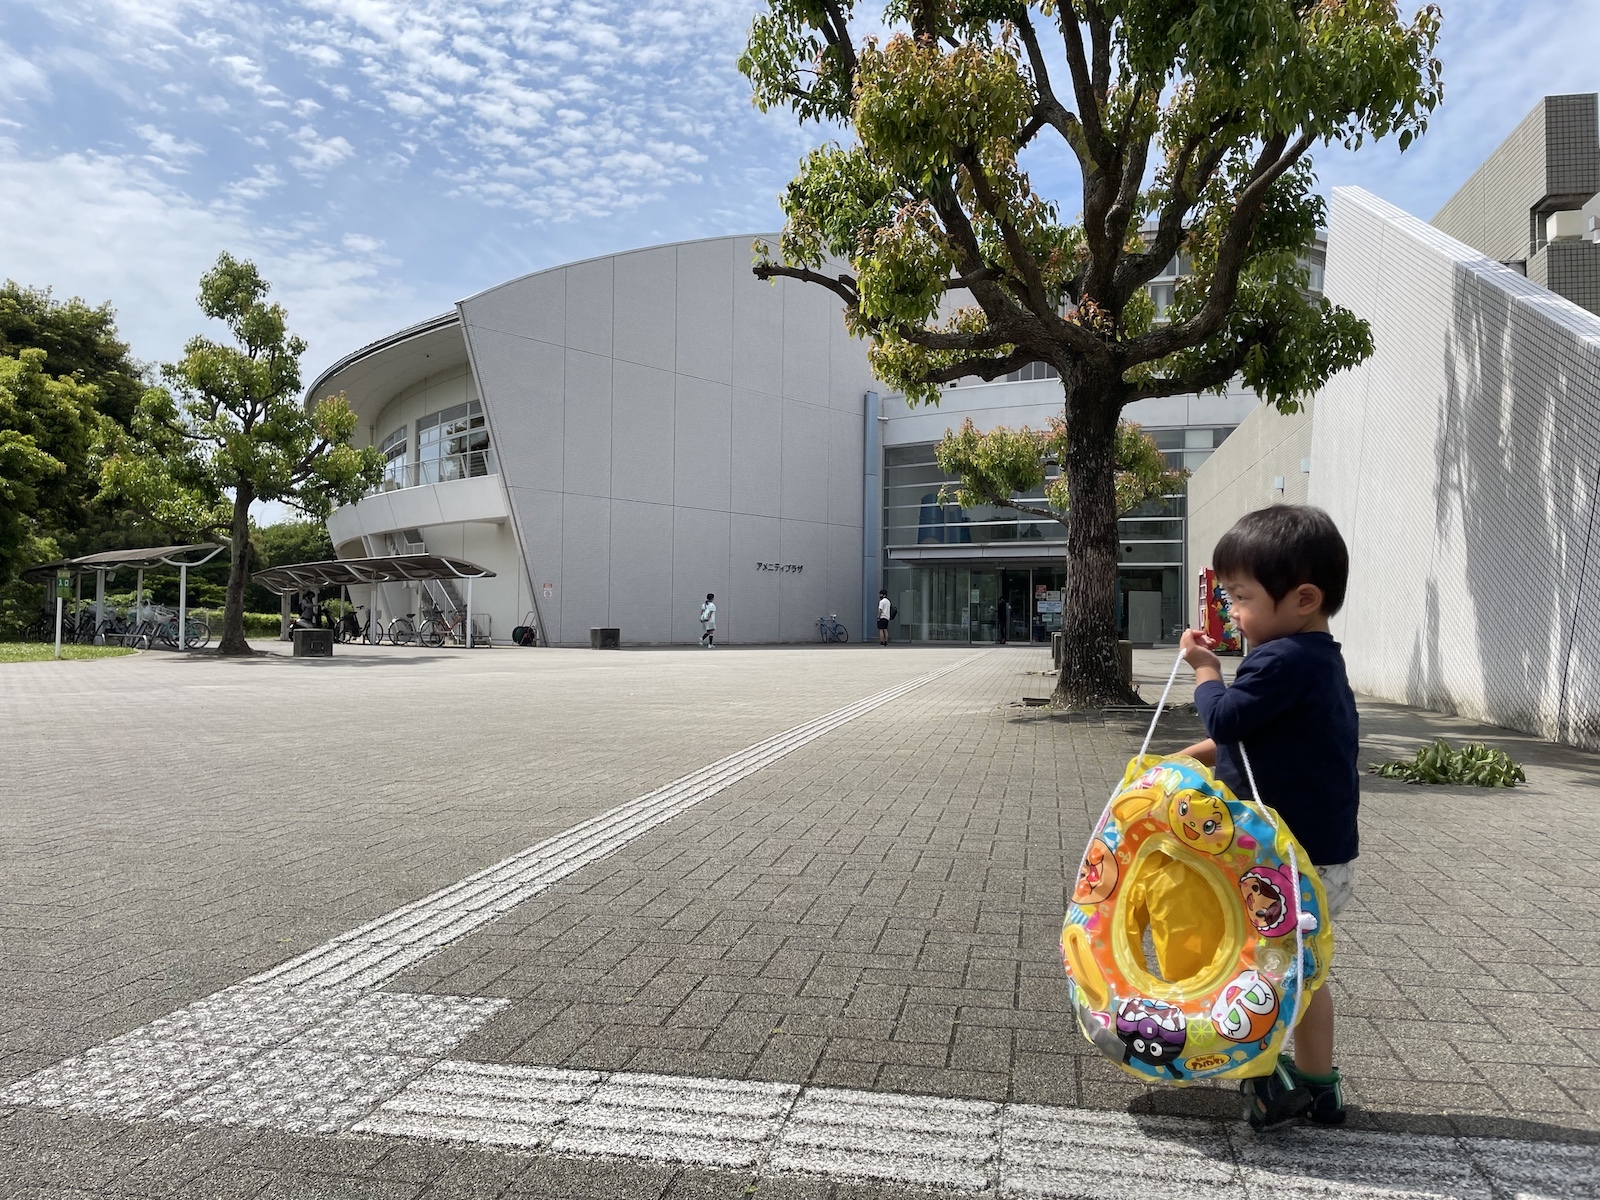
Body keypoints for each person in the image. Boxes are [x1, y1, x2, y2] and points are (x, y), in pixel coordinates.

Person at [1175, 504, 1358, 1131]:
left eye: (1240, 596)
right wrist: (1186, 758)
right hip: (1326, 854)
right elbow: (1249, 738)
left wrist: (1205, 673)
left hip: (1284, 860)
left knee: (1258, 968)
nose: (1230, 611)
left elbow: (1226, 720)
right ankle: (1320, 1085)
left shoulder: (1278, 660)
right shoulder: (1319, 661)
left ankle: (1263, 1079)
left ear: (1303, 597)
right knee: (1306, 975)